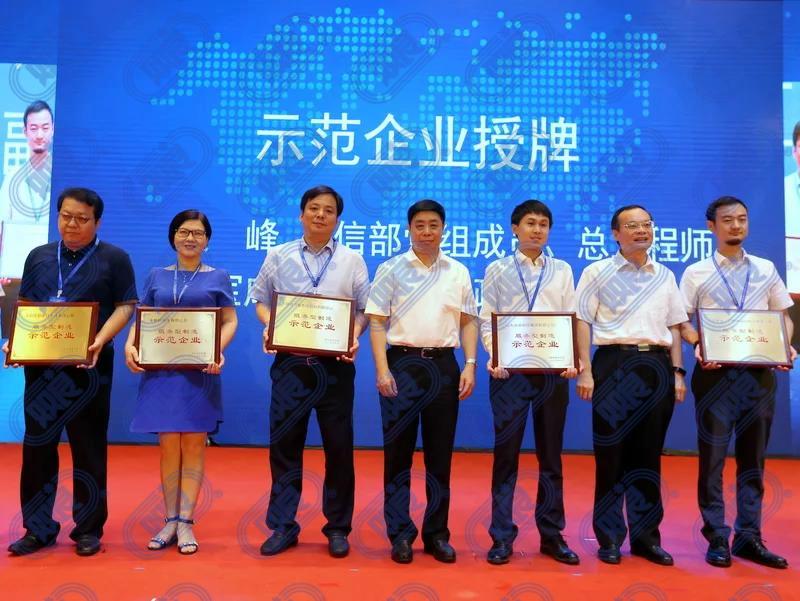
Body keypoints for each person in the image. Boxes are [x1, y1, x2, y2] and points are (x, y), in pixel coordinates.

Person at [3, 187, 137, 556]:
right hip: (42, 370)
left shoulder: (114, 258)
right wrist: (15, 340)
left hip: (90, 367)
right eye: (66, 216)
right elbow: (26, 306)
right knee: (38, 449)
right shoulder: (39, 256)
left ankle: (88, 529)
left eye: (81, 219)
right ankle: (38, 528)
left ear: (97, 222)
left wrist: (100, 340)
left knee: (88, 448)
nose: (72, 224)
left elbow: (126, 306)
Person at [250, 185, 369, 558]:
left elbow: (363, 310)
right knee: (285, 447)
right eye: (314, 208)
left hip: (336, 367)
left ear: (338, 219)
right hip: (291, 365)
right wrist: (270, 326)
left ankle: (338, 528)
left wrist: (353, 335)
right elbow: (260, 300)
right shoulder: (278, 254)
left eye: (329, 210)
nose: (321, 215)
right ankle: (283, 525)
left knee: (339, 448)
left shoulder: (352, 260)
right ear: (301, 214)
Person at [679, 196, 796, 569]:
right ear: (711, 226)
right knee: (712, 459)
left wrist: (784, 345)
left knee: (753, 459)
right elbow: (681, 321)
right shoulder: (696, 272)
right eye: (728, 220)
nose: (736, 225)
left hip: (758, 375)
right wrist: (698, 343)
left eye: (742, 219)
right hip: (715, 375)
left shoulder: (765, 268)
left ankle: (749, 537)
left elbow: (782, 315)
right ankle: (716, 536)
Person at [365, 199, 478, 564]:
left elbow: (468, 321)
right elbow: (377, 322)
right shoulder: (391, 269)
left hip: (444, 366)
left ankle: (436, 535)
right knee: (397, 455)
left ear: (443, 229)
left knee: (439, 457)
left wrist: (470, 364)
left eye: (433, 225)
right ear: (409, 229)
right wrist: (382, 369)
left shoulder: (458, 271)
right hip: (402, 365)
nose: (427, 232)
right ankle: (400, 534)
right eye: (420, 225)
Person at [575, 204, 687, 566]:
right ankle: (609, 536)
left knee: (648, 456)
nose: (642, 231)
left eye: (646, 225)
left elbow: (674, 326)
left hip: (656, 366)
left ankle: (646, 539)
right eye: (633, 226)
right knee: (611, 455)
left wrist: (677, 372)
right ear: (615, 234)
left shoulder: (664, 275)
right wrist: (585, 370)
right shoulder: (597, 272)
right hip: (614, 364)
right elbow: (582, 321)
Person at [124, 210, 237, 555]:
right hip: (162, 374)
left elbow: (230, 320)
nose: (191, 238)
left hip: (199, 374)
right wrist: (130, 345)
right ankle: (169, 519)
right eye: (184, 232)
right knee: (169, 445)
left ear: (207, 240)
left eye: (198, 233)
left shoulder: (218, 277)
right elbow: (142, 317)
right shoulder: (157, 275)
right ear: (173, 236)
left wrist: (217, 350)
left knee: (194, 445)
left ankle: (186, 521)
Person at [479, 200, 580, 566]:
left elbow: (571, 316)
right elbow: (487, 316)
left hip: (553, 374)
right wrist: (495, 355)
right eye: (530, 223)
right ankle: (501, 536)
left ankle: (552, 535)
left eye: (543, 224)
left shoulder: (563, 270)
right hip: (510, 375)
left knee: (551, 457)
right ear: (515, 228)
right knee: (506, 456)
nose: (537, 230)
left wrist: (571, 357)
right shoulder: (497, 269)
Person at [0, 100, 54, 274]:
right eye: (33, 128)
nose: (39, 134)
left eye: (45, 128)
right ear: (25, 131)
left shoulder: (62, 175)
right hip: (17, 268)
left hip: (55, 268)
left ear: (53, 129)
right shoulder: (12, 178)